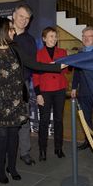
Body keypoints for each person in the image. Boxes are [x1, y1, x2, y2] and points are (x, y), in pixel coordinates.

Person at [0, 17, 66, 184]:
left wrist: (57, 66)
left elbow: (34, 64)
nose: (14, 31)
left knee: (13, 137)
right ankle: (1, 169)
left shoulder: (15, 48)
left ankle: (12, 167)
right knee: (1, 137)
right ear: (2, 30)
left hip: (16, 101)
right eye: (11, 29)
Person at [33, 27, 68, 161]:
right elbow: (35, 75)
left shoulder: (63, 52)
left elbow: (66, 72)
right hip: (45, 91)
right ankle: (42, 151)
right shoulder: (38, 54)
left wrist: (66, 65)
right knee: (44, 121)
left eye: (55, 36)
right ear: (44, 39)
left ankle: (58, 148)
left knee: (59, 120)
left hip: (59, 90)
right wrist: (38, 94)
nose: (54, 39)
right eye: (51, 36)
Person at [12, 4, 37, 165]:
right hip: (2, 86)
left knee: (24, 120)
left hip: (23, 85)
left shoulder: (30, 40)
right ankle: (3, 156)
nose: (24, 21)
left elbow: (32, 64)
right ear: (14, 15)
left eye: (27, 18)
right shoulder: (3, 35)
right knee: (3, 123)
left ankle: (25, 152)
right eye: (21, 16)